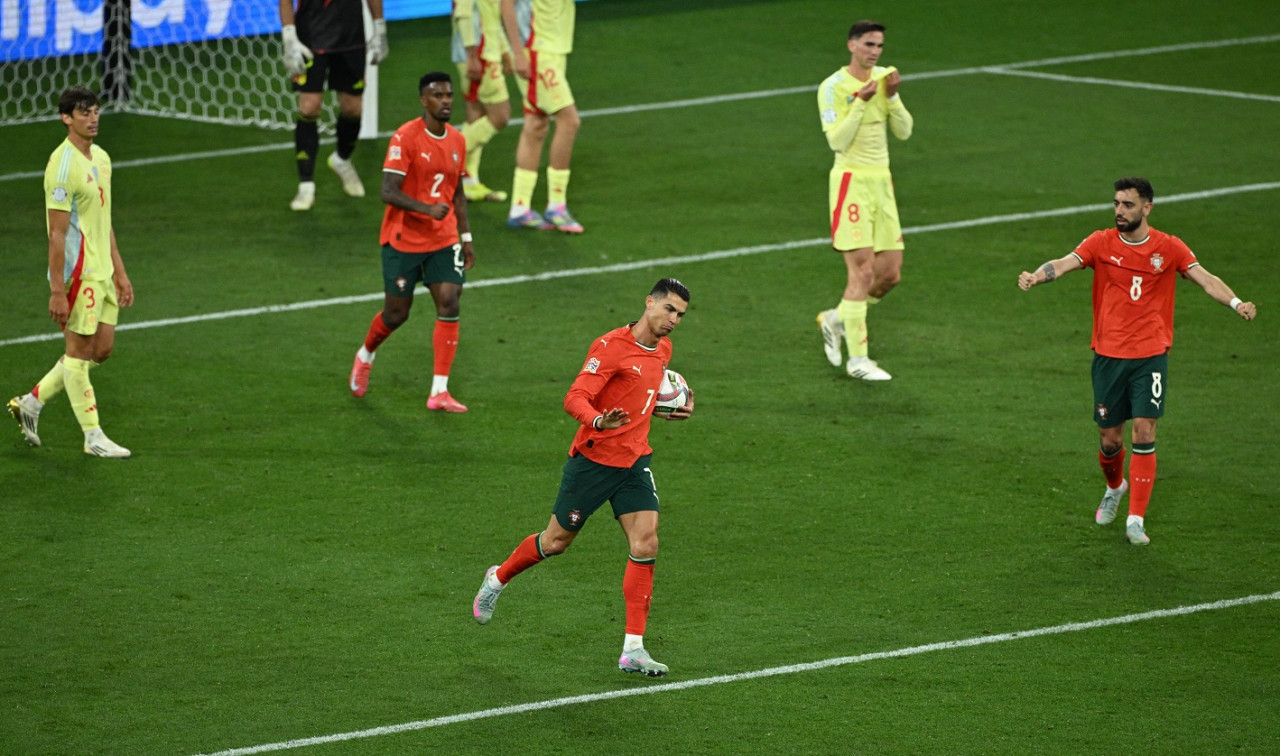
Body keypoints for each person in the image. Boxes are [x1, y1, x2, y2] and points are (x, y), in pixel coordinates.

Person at [472, 278, 694, 677]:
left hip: (633, 462)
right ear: (649, 302)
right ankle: (498, 577)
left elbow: (643, 393)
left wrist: (666, 409)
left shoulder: (664, 349)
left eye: (680, 314)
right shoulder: (610, 347)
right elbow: (574, 396)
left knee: (646, 541)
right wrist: (598, 420)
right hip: (593, 462)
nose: (674, 319)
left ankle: (633, 649)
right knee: (555, 542)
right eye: (669, 309)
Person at [1017, 177, 1257, 545]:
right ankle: (1115, 487)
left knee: (1145, 430)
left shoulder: (1169, 248)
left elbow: (1205, 278)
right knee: (1110, 439)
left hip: (1150, 355)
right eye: (1116, 203)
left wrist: (1236, 302)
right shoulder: (1100, 242)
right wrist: (1038, 275)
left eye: (1127, 205)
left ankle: (1136, 519)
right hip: (1109, 356)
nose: (1119, 211)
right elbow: (1065, 262)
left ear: (1147, 208)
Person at [7, 87, 135, 458]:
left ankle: (31, 402)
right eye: (84, 113)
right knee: (78, 353)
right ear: (66, 118)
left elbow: (104, 220)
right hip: (78, 275)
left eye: (96, 111)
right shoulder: (61, 167)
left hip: (104, 270)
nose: (93, 118)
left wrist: (120, 272)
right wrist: (57, 292)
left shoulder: (103, 158)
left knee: (101, 349)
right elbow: (57, 234)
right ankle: (93, 437)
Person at [348, 72, 474, 413]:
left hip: (443, 237)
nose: (446, 100)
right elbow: (387, 191)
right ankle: (366, 354)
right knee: (396, 313)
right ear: (424, 100)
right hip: (404, 239)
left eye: (449, 94)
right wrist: (426, 209)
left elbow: (457, 193)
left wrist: (466, 236)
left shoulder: (458, 141)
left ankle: (439, 392)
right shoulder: (405, 138)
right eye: (438, 95)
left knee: (450, 300)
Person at [814, 19, 913, 381]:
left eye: (880, 46)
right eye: (869, 44)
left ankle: (838, 317)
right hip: (851, 182)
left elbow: (903, 131)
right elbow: (837, 142)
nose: (875, 52)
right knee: (863, 271)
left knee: (890, 274)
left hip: (882, 184)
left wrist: (892, 97)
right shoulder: (833, 87)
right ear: (852, 45)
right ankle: (859, 360)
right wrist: (861, 102)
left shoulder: (886, 78)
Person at [279, 0, 389, 211]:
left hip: (351, 38)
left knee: (353, 108)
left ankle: (342, 159)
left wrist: (380, 28)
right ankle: (306, 184)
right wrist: (289, 37)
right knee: (309, 106)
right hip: (311, 36)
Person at [499, 0, 584, 232]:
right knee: (569, 120)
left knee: (536, 124)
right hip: (536, 51)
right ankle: (557, 205)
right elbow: (506, 4)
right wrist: (517, 52)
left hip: (555, 49)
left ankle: (520, 207)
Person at [451, 0, 512, 203]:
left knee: (476, 116)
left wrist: (505, 51)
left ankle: (469, 183)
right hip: (480, 54)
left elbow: (491, 16)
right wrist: (472, 55)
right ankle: (446, 158)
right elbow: (465, 13)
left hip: (483, 51)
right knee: (500, 115)